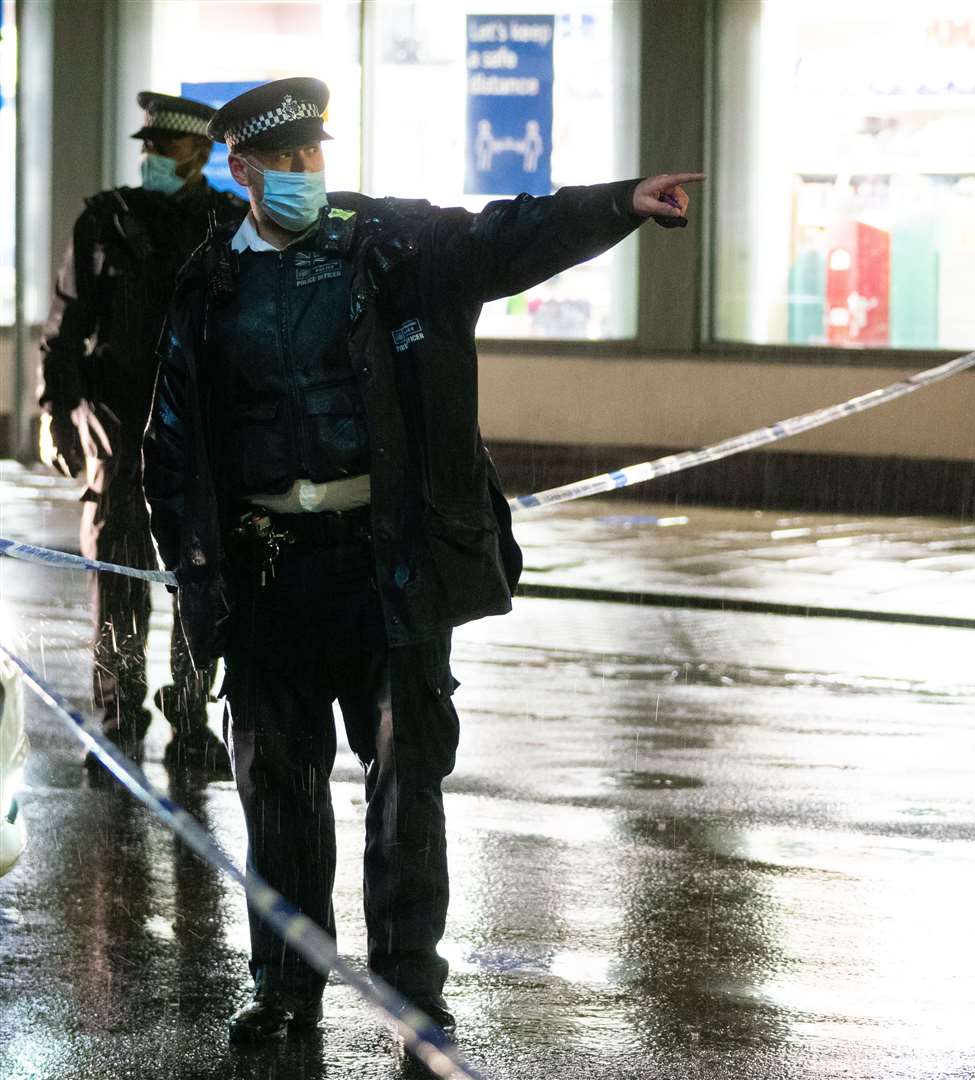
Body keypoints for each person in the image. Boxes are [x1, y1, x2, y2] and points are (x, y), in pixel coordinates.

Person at [140, 76, 701, 1044]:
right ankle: (284, 990)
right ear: (241, 172)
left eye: (315, 155)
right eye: (286, 162)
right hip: (269, 575)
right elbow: (171, 448)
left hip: (382, 569)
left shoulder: (385, 246)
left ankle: (410, 992)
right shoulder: (208, 286)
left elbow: (501, 236)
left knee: (406, 790)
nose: (307, 174)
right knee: (279, 792)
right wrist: (199, 585)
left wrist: (618, 204)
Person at [37, 92, 246, 776]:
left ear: (201, 154)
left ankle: (192, 721)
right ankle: (118, 723)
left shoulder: (228, 224)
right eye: (148, 146)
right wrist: (56, 410)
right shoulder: (106, 222)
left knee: (200, 577)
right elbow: (65, 326)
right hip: (119, 425)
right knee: (117, 579)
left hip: (202, 429)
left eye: (166, 147)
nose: (152, 156)